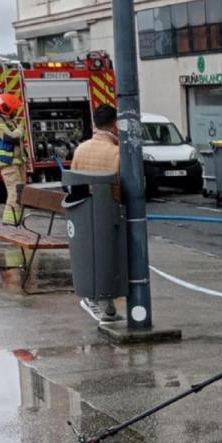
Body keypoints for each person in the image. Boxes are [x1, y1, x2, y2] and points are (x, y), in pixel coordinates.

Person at [71, 104, 122, 323]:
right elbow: (121, 186)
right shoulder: (117, 152)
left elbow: (73, 182)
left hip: (85, 213)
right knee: (113, 258)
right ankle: (104, 302)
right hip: (110, 212)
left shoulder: (81, 149)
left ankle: (102, 302)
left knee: (95, 257)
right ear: (115, 125)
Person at [0, 93, 27, 225]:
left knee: (21, 193)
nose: (16, 111)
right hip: (8, 163)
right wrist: (20, 130)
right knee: (15, 193)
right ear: (6, 108)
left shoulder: (8, 120)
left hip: (17, 162)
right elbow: (11, 137)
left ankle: (17, 221)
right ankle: (10, 223)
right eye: (14, 109)